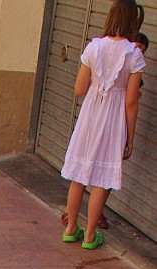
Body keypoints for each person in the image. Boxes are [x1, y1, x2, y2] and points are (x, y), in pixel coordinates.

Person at [61, 0, 145, 251]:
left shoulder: (93, 47)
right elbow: (131, 101)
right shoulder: (134, 54)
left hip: (90, 114)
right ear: (133, 21)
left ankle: (70, 228)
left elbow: (79, 89)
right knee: (101, 179)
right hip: (114, 118)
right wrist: (130, 137)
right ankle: (89, 236)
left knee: (79, 174)